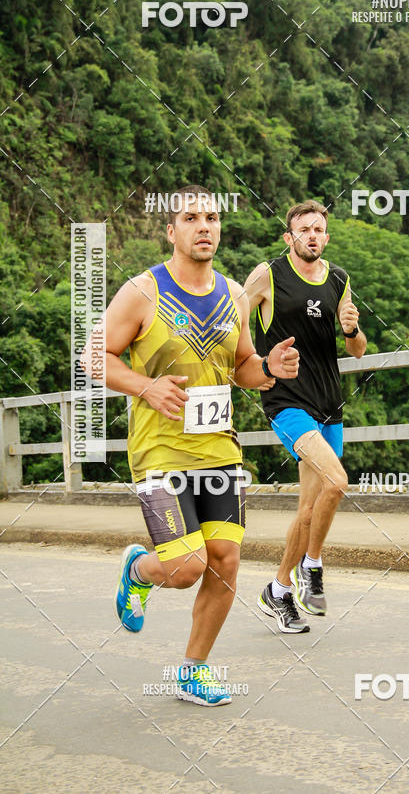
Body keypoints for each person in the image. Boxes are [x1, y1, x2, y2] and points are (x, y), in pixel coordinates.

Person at [83, 185, 299, 705]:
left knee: (224, 559)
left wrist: (268, 369)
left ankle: (192, 670)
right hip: (159, 451)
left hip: (219, 449)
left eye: (212, 218)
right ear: (171, 230)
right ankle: (139, 569)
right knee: (184, 567)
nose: (205, 226)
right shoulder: (142, 292)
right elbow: (96, 357)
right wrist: (145, 386)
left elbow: (242, 365)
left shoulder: (233, 296)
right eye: (191, 218)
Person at [245, 200, 367, 633]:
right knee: (337, 481)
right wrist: (256, 368)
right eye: (303, 230)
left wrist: (351, 329)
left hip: (329, 403)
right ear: (289, 237)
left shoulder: (339, 278)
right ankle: (311, 566)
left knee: (311, 506)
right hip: (287, 401)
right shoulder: (268, 275)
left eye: (319, 229)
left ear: (326, 236)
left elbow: (357, 349)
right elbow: (233, 328)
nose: (311, 235)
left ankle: (278, 589)